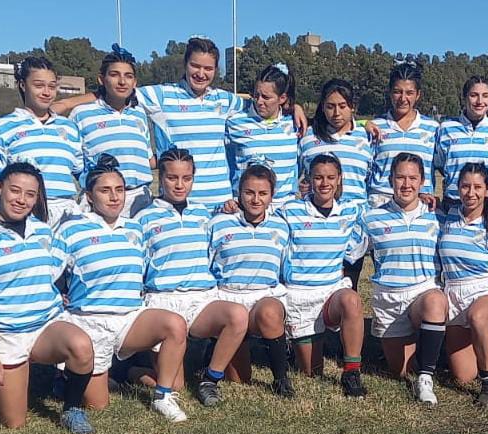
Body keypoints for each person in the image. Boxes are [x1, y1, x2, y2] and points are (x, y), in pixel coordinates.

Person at [53, 36, 307, 210]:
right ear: (185, 65)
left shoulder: (225, 100)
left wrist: (293, 106)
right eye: (195, 65)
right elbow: (120, 89)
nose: (200, 73)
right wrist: (65, 104)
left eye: (208, 68)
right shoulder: (162, 96)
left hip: (223, 204)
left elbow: (266, 104)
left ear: (216, 70)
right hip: (182, 200)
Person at [0, 162, 95, 434]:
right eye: (15, 190)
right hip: (5, 333)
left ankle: (72, 409)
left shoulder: (42, 230)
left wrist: (62, 292)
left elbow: (56, 270)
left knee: (82, 346)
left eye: (30, 194)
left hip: (44, 325)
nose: (21, 200)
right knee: (14, 422)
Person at [55, 162, 189, 421]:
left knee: (175, 324)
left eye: (120, 189)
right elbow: (50, 273)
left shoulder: (134, 229)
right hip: (90, 322)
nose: (115, 196)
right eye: (105, 190)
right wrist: (59, 293)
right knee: (98, 405)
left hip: (130, 318)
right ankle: (72, 375)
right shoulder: (71, 229)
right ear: (89, 195)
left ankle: (163, 397)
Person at [136, 148, 249, 406]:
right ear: (160, 178)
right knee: (175, 386)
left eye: (186, 178)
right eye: (172, 178)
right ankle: (129, 371)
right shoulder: (143, 218)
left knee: (238, 315)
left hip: (201, 300)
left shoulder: (204, 214)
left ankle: (210, 379)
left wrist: (230, 208)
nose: (179, 184)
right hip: (164, 301)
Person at [346, 152, 448, 405]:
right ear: (390, 180)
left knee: (435, 301)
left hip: (423, 294)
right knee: (400, 371)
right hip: (389, 300)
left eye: (413, 178)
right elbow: (350, 258)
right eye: (400, 177)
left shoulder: (437, 217)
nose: (406, 184)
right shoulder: (371, 218)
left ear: (423, 181)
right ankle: (429, 349)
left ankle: (426, 378)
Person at [279, 154, 367, 397]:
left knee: (352, 300)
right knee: (311, 371)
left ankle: (351, 372)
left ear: (339, 179)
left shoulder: (350, 211)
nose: (324, 183)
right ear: (309, 180)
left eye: (330, 177)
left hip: (331, 293)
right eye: (318, 177)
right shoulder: (290, 211)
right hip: (299, 296)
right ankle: (291, 342)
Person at [208, 164, 294, 397]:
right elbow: (207, 264)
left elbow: (287, 269)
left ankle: (281, 378)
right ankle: (214, 351)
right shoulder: (219, 224)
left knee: (269, 312)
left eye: (263, 193)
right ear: (239, 193)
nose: (256, 199)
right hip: (229, 298)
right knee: (239, 379)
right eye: (249, 193)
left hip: (263, 297)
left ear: (272, 196)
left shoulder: (281, 227)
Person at [0, 56, 83, 229]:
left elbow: (82, 174)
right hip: (27, 214)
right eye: (39, 86)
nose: (46, 92)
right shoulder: (3, 127)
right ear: (23, 85)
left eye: (52, 86)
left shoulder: (70, 128)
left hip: (68, 216)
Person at [439, 163, 488, 407]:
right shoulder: (446, 218)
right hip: (454, 292)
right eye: (465, 186)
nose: (471, 193)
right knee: (463, 375)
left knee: (478, 317)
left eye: (477, 187)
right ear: (457, 188)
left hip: (486, 290)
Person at [298, 79, 373, 290]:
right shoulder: (307, 138)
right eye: (330, 106)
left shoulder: (367, 137)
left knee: (349, 292)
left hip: (353, 228)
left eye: (342, 106)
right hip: (317, 227)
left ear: (352, 107)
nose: (336, 113)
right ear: (322, 107)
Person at [69, 45, 155, 218]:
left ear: (135, 82)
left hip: (141, 201)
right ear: (102, 79)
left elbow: (147, 159)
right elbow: (74, 163)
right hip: (102, 202)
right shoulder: (81, 114)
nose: (122, 82)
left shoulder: (139, 114)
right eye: (114, 75)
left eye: (128, 76)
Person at [366, 61, 439, 209]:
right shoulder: (375, 127)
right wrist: (362, 123)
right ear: (390, 92)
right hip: (380, 204)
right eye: (398, 91)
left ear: (418, 95)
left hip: (420, 204)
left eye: (409, 93)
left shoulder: (433, 129)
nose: (403, 98)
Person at [226, 63, 299, 208]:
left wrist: (297, 108)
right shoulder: (234, 122)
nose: (259, 101)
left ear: (282, 98)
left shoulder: (295, 123)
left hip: (285, 210)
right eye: (256, 95)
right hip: (246, 209)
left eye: (266, 97)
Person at [434, 76, 488, 211]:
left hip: (487, 205)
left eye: (485, 96)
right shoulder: (446, 128)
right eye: (474, 95)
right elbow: (440, 164)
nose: (480, 101)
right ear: (464, 98)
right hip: (453, 204)